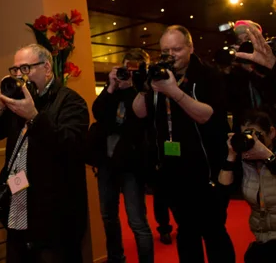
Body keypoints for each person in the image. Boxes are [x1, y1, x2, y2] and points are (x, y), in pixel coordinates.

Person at [133, 25, 235, 263]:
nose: (171, 55)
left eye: (177, 49)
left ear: (190, 47)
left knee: (213, 231)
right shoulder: (159, 75)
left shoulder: (209, 75)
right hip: (172, 169)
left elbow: (206, 116)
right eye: (166, 50)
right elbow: (139, 113)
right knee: (186, 232)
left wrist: (174, 91)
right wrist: (143, 90)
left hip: (208, 168)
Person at [0, 44, 90, 263]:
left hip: (55, 215)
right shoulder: (18, 102)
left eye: (26, 68)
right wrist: (0, 106)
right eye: (15, 69)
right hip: (18, 206)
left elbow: (70, 144)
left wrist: (34, 116)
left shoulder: (71, 101)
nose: (20, 75)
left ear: (47, 68)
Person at [91, 49, 154, 263]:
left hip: (131, 166)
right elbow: (98, 112)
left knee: (137, 221)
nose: (128, 73)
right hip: (107, 163)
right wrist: (111, 86)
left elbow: (139, 122)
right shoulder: (113, 91)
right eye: (126, 68)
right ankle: (116, 258)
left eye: (134, 70)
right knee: (108, 217)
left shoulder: (145, 93)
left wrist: (135, 87)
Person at [218, 109, 276, 263]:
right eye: (247, 135)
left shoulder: (270, 156)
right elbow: (222, 193)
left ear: (271, 133)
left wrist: (267, 156)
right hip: (262, 239)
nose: (252, 141)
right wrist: (231, 155)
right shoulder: (246, 161)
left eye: (257, 135)